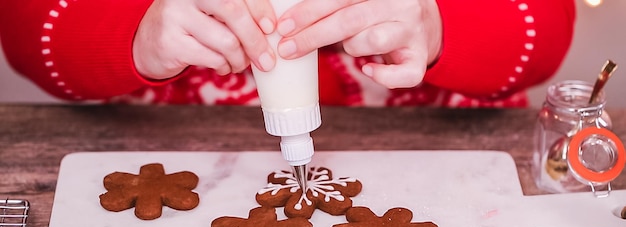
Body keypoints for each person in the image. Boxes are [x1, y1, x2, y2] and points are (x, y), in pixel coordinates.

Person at [0, 0, 575, 107]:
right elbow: (27, 28)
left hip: (437, 138)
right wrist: (131, 35)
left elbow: (545, 30)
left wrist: (442, 23)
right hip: (182, 143)